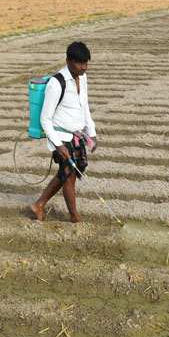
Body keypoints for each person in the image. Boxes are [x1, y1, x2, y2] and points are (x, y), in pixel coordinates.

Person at [30, 41, 97, 223]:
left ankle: (39, 204)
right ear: (68, 61)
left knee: (69, 172)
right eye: (79, 63)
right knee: (68, 175)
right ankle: (74, 217)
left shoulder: (82, 78)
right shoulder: (56, 83)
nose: (83, 67)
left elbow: (85, 106)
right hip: (60, 136)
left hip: (76, 136)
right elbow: (45, 118)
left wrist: (91, 132)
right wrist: (58, 145)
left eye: (85, 63)